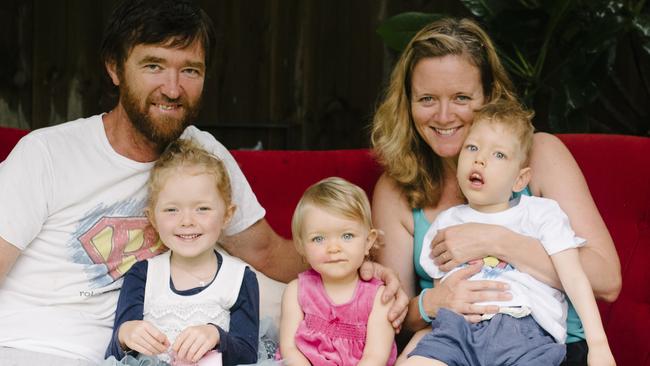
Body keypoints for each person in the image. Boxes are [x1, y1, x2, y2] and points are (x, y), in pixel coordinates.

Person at [0, 0, 406, 364]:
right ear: (115, 68)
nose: (173, 89)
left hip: (154, 355)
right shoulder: (47, 154)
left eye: (190, 70)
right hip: (33, 345)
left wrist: (359, 269)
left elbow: (267, 252)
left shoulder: (203, 155)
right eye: (154, 65)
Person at [370, 17, 621, 365]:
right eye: (427, 99)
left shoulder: (540, 154)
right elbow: (396, 313)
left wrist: (494, 240)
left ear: (489, 96)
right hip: (453, 343)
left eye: (461, 97)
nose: (444, 116)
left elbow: (607, 280)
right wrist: (432, 302)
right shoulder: (397, 186)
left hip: (543, 347)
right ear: (407, 104)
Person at [403, 100, 615, 365]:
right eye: (472, 148)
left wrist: (599, 345)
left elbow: (575, 277)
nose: (480, 158)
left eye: (499, 155)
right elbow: (443, 290)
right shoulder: (447, 222)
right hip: (458, 329)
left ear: (520, 179)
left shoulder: (540, 214)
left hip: (524, 332)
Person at [103, 139, 259, 365]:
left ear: (227, 214)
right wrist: (126, 334)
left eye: (202, 209)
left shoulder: (239, 277)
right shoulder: (143, 275)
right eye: (172, 210)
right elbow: (114, 355)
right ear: (153, 218)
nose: (187, 221)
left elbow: (247, 353)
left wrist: (216, 335)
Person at [278, 177, 398, 366]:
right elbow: (289, 348)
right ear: (301, 246)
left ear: (368, 241)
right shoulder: (296, 291)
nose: (333, 248)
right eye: (318, 239)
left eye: (347, 236)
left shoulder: (379, 298)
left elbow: (375, 357)